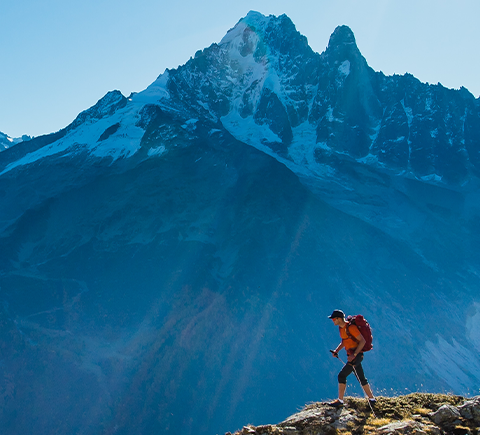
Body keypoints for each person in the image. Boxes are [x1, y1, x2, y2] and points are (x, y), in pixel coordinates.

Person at [328, 309, 376, 407]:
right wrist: (336, 351)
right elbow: (344, 341)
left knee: (341, 376)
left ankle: (340, 401)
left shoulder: (351, 327)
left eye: (333, 319)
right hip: (353, 356)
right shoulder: (341, 329)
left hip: (356, 356)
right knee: (361, 378)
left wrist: (354, 355)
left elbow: (362, 341)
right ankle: (372, 399)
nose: (332, 320)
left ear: (339, 318)